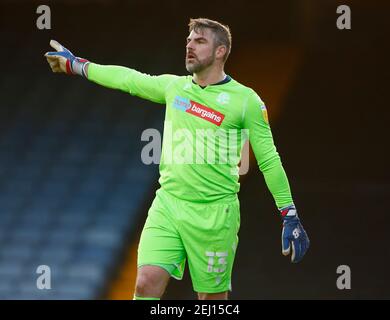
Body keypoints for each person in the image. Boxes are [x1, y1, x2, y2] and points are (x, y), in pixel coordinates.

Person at [45, 17, 309, 300]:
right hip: (168, 204)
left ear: (221, 51)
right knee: (145, 282)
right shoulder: (175, 88)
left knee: (210, 300)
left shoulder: (246, 101)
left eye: (199, 41)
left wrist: (289, 213)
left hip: (215, 215)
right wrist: (77, 65)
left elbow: (268, 159)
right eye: (188, 41)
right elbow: (129, 79)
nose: (190, 46)